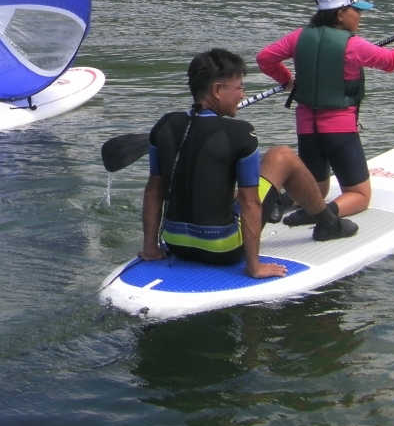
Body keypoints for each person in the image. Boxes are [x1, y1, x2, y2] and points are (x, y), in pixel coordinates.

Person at [140, 48, 357, 279]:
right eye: (239, 88)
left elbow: (154, 190)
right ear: (217, 90)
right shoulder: (241, 133)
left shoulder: (165, 125)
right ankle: (328, 224)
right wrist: (253, 266)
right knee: (282, 156)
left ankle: (285, 207)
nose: (242, 95)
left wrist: (151, 248)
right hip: (223, 249)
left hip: (175, 243)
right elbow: (250, 202)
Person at [256, 0, 394, 224]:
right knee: (359, 195)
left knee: (317, 188)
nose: (360, 16)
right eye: (356, 10)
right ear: (340, 14)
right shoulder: (353, 45)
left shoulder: (298, 37)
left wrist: (288, 81)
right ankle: (322, 216)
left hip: (307, 128)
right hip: (340, 130)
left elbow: (264, 59)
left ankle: (280, 204)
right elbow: (393, 61)